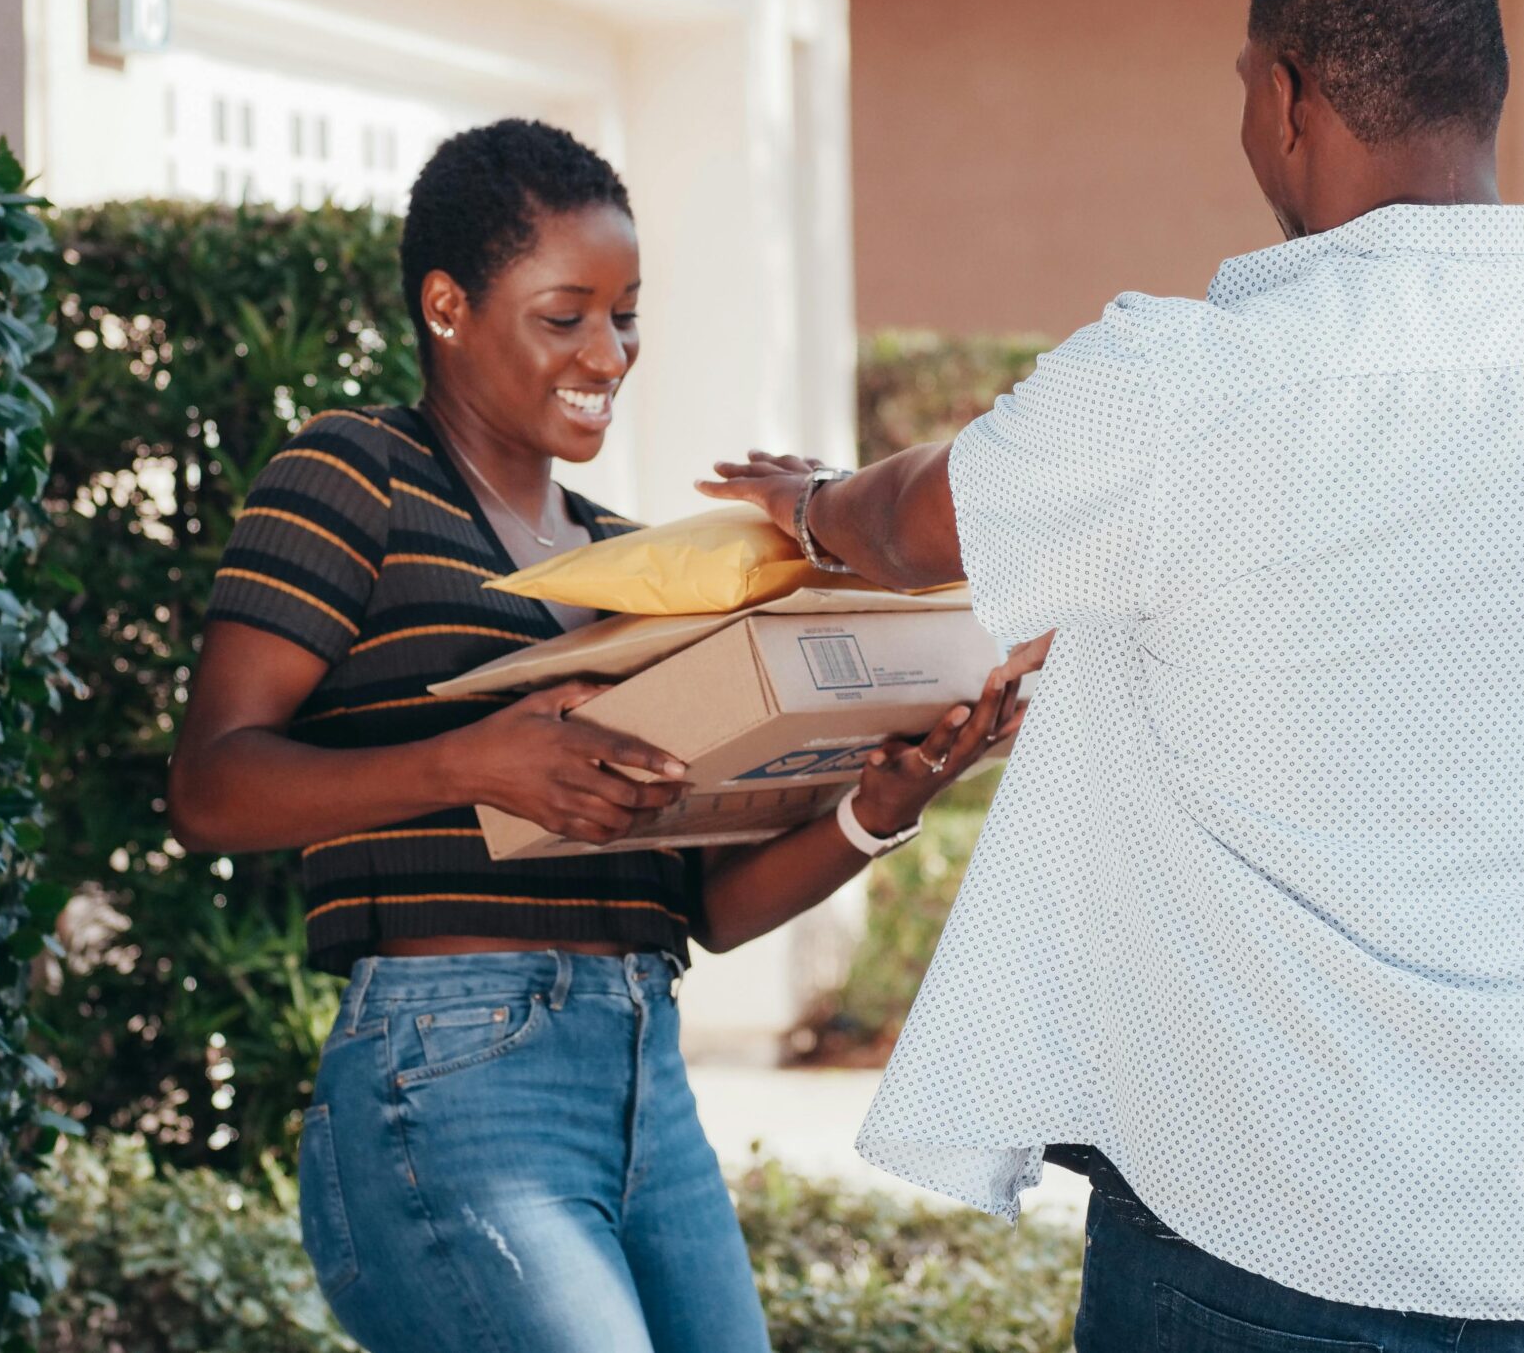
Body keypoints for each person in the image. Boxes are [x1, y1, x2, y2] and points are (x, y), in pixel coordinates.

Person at [698, 0, 1524, 1349]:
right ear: (1484, 94)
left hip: (1272, 1209)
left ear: (1287, 98)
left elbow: (917, 526)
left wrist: (815, 501)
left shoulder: (1188, 385)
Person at [165, 118, 1021, 1353]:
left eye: (626, 314)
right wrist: (468, 759)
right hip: (449, 1066)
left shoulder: (637, 564)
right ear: (447, 305)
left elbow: (701, 908)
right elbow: (210, 787)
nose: (607, 353)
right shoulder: (352, 476)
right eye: (565, 314)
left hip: (642, 1071)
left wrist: (876, 807)